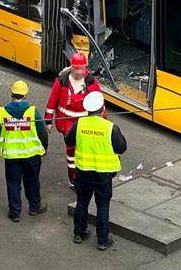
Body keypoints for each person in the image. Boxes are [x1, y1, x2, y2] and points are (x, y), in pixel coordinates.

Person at [65, 91, 127, 250]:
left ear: (87, 109)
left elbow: (68, 140)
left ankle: (79, 233)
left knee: (82, 202)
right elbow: (122, 147)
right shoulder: (111, 128)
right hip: (103, 175)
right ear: (102, 108)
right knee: (102, 206)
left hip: (83, 172)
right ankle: (102, 240)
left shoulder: (80, 124)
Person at [0, 80, 49, 222]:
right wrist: (44, 147)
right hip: (32, 155)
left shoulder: (2, 112)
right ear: (25, 94)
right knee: (32, 180)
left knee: (13, 183)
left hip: (12, 156)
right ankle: (35, 206)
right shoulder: (32, 112)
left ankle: (15, 212)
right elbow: (42, 131)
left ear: (12, 93)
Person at [45, 52, 103, 190]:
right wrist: (48, 121)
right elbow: (52, 101)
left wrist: (102, 118)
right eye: (76, 68)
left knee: (85, 150)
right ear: (71, 68)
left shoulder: (90, 81)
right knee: (71, 152)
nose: (79, 72)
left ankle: (84, 175)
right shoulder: (62, 81)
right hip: (68, 123)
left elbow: (98, 100)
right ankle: (73, 177)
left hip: (86, 121)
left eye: (81, 68)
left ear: (85, 68)